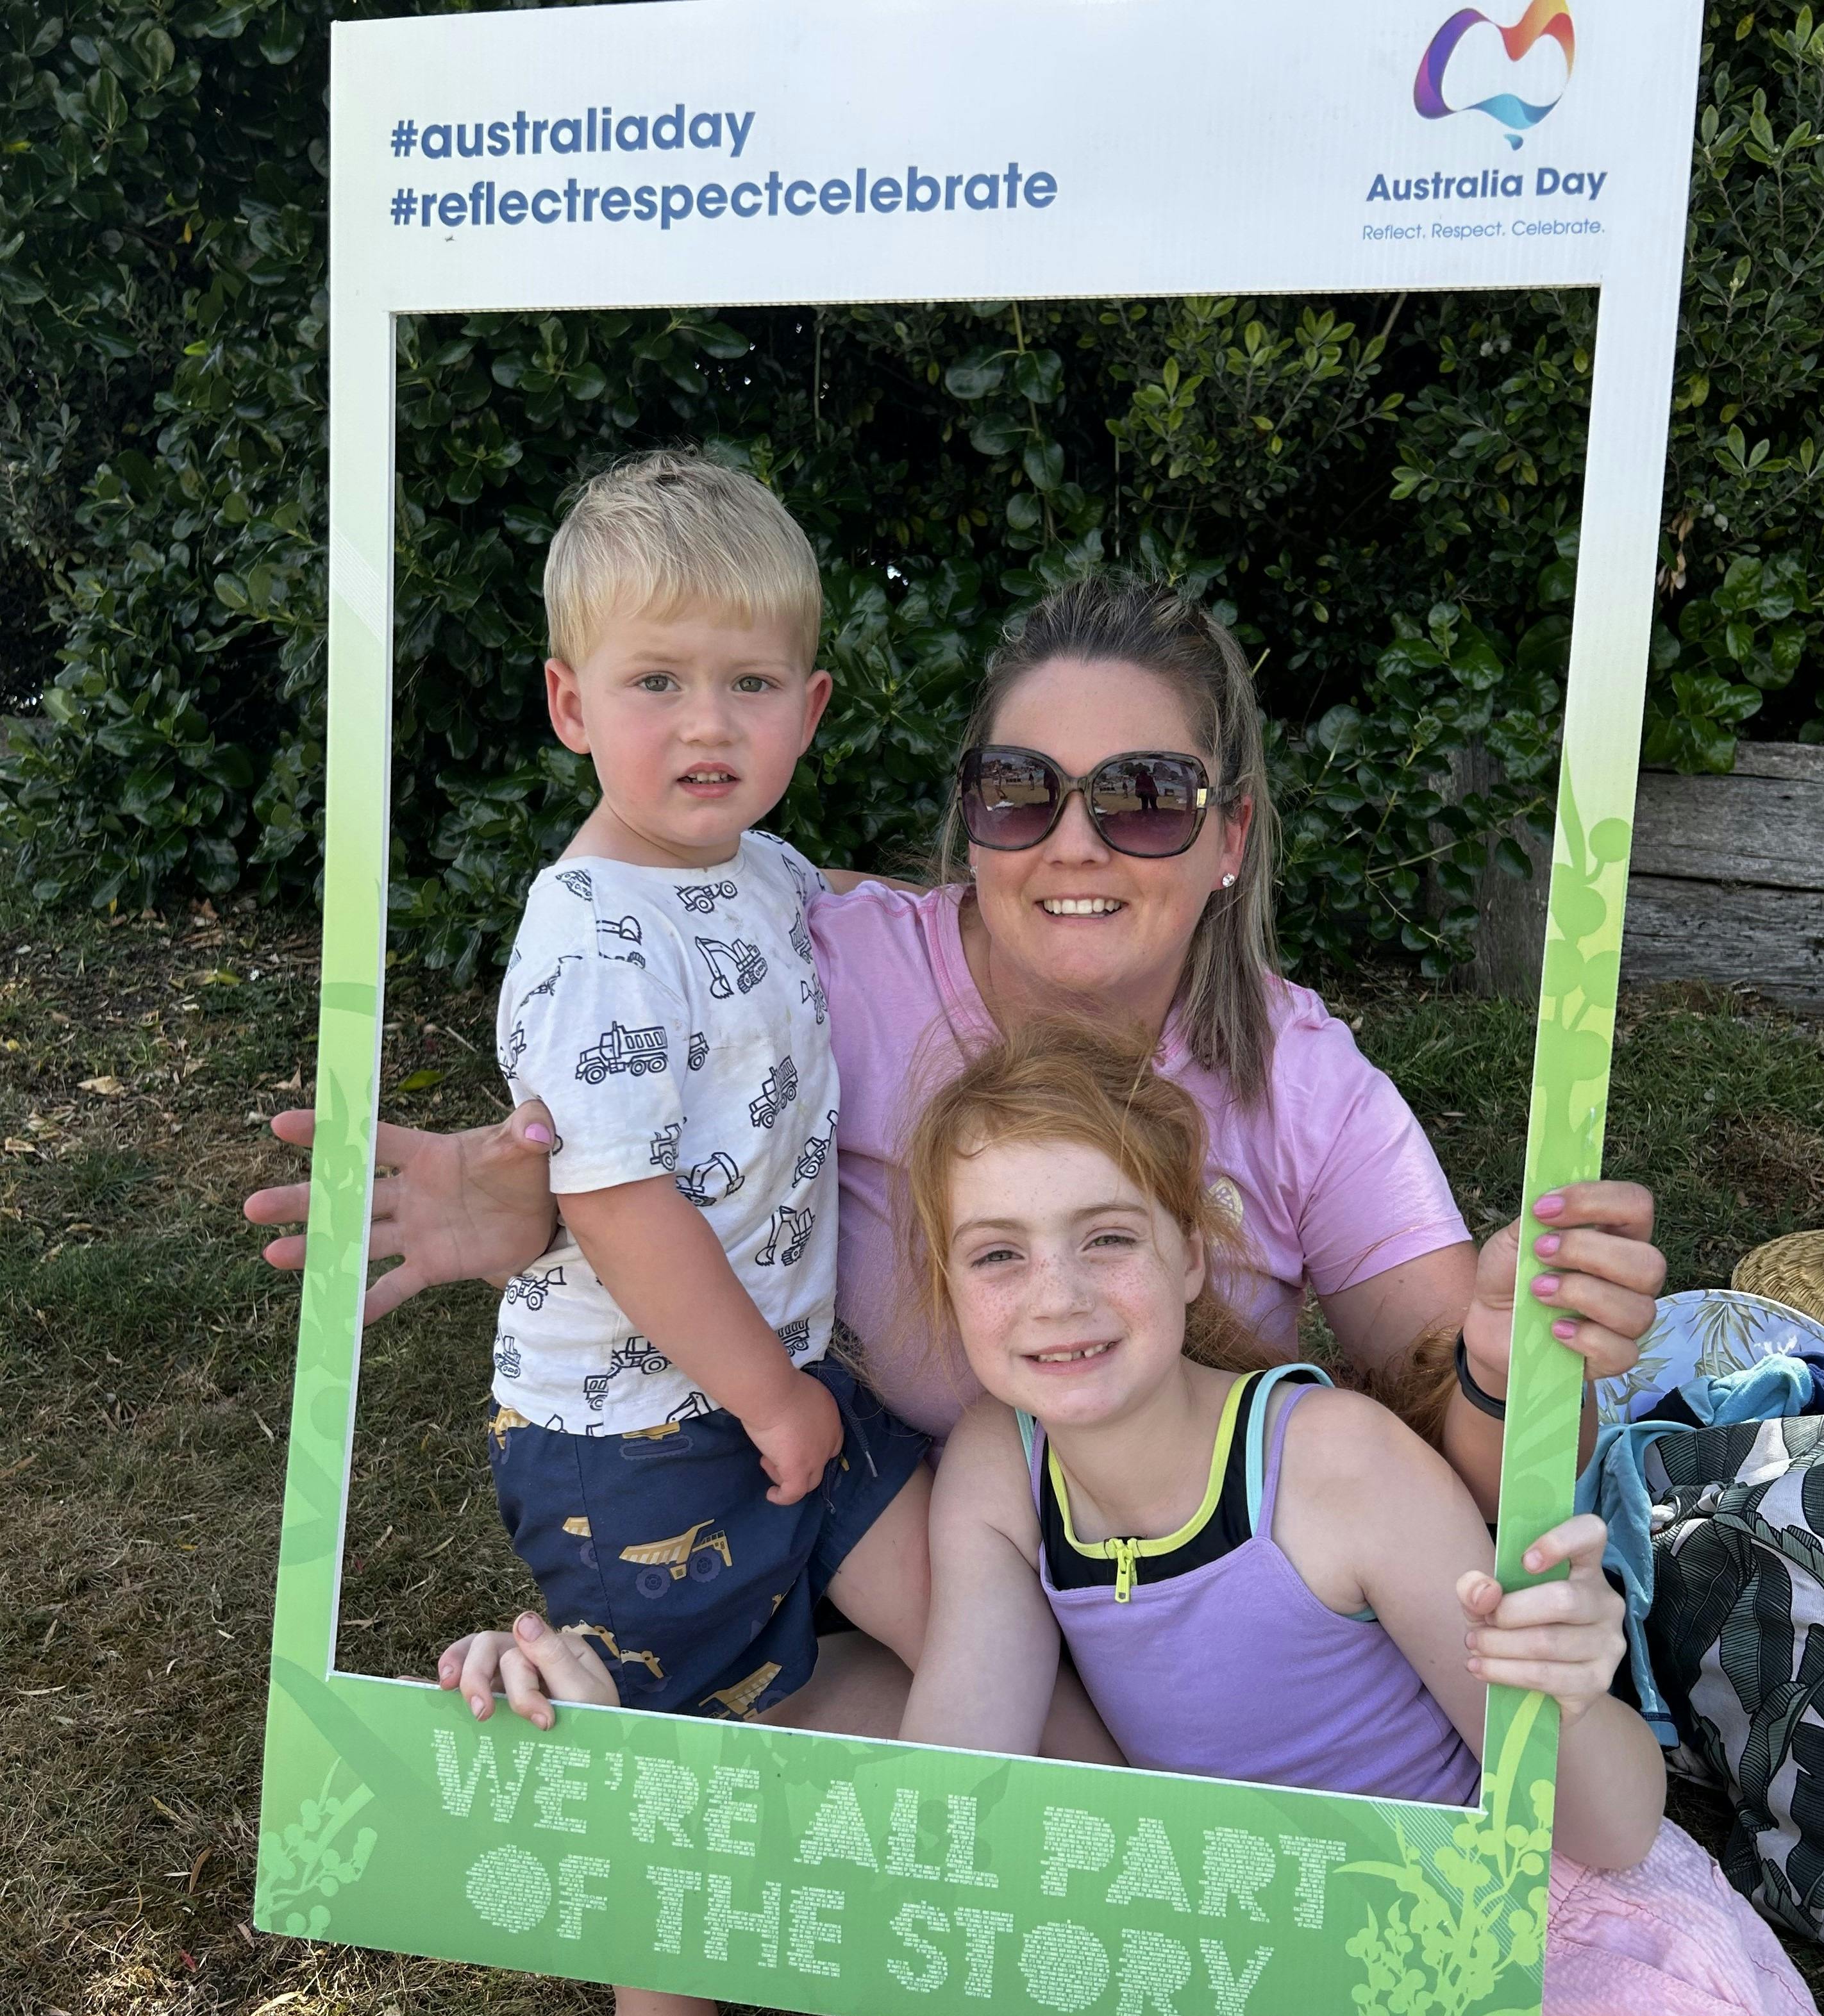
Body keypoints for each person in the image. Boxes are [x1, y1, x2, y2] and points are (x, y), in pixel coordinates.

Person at [480, 1019, 1824, 2016]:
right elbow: (955, 1787)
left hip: (1504, 1916)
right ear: (949, 1293)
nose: (1056, 1294)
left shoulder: (1334, 1466)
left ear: (1194, 1255)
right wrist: (617, 1729)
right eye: (999, 1254)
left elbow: (1598, 1826)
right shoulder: (999, 1474)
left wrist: (1566, 1683)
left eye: (1106, 1238)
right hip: (1236, 1921)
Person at [248, 574, 1668, 1531]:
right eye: (1019, 791)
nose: (1072, 844)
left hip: (1182, 1621)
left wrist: (1503, 1360)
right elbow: (647, 1100)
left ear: (1231, 837)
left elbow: (1475, 1484)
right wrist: (547, 1196)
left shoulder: (1307, 1086)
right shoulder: (829, 969)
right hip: (858, 1557)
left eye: (1147, 799)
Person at [460, 451, 932, 2016]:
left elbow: (864, 908)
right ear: (571, 703)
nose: (708, 723)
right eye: (656, 680)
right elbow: (614, 1200)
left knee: (965, 1598)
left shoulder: (760, 869)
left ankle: (1046, 1807)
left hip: (787, 1385)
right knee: (661, 1761)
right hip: (636, 1434)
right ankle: (662, 2013)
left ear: (807, 710)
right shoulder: (589, 931)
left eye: (748, 684)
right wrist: (771, 1400)